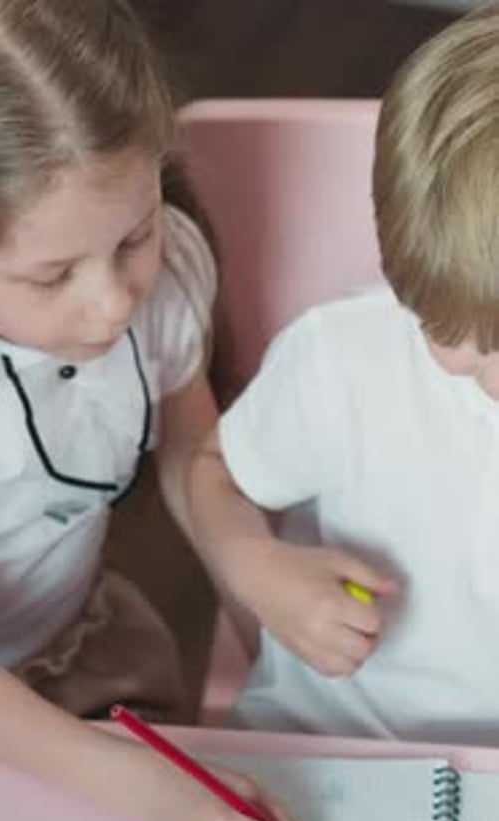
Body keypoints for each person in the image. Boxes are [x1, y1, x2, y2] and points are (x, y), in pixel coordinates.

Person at [0, 1, 305, 821]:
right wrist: (151, 790)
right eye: (53, 276)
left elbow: (191, 449)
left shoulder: (161, 282)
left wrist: (247, 558)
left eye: (134, 234)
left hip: (88, 647)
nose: (113, 302)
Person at [189, 3, 499, 747]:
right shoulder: (341, 358)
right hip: (346, 741)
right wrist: (255, 566)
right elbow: (215, 472)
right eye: (446, 332)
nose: (486, 378)